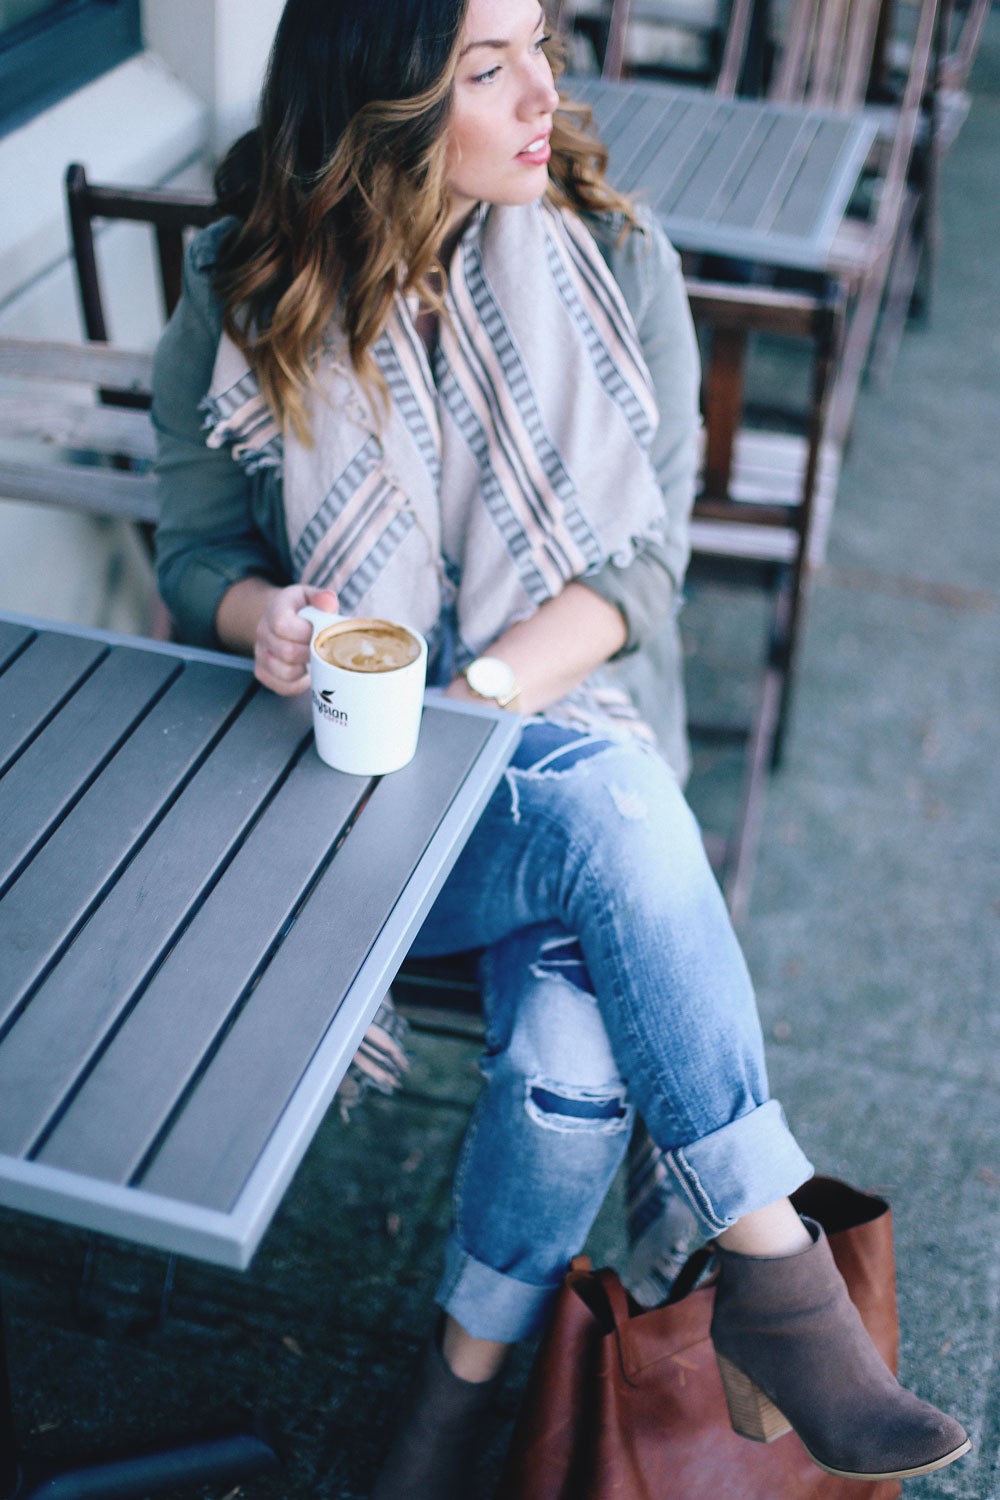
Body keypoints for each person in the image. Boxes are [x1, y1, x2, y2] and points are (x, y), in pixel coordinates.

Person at [151, 0, 971, 1495]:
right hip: (345, 799)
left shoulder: (613, 257)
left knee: (575, 1039)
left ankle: (456, 1402)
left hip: (539, 744)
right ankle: (771, 1265)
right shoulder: (247, 282)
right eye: (487, 66)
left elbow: (644, 575)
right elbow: (192, 546)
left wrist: (482, 690)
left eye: (543, 44)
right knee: (613, 807)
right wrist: (261, 611)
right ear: (386, 103)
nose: (545, 91)